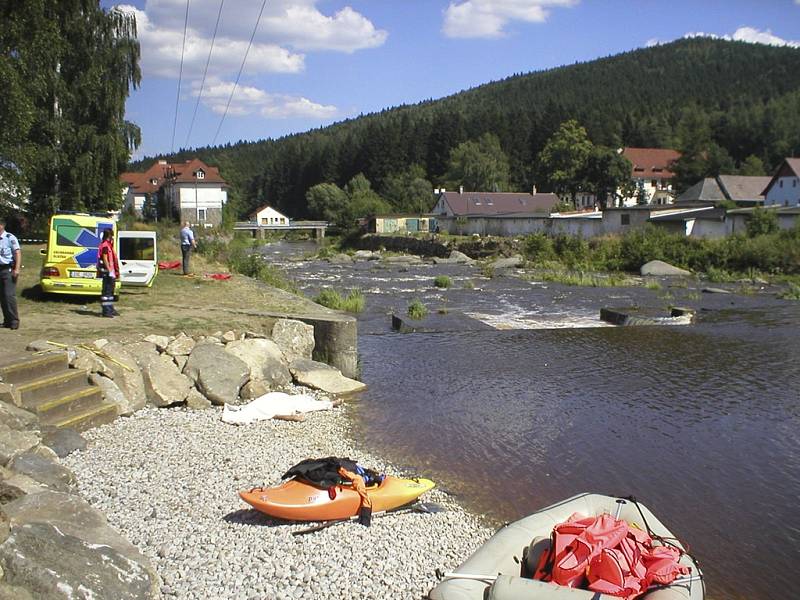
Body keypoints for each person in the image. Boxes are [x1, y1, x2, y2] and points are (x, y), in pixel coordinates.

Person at [0, 218, 21, 329]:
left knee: (9, 295)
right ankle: (7, 320)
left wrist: (16, 269)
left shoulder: (10, 238)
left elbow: (17, 253)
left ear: (2, 225)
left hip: (8, 269)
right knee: (2, 297)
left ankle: (14, 321)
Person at [97, 228, 120, 318]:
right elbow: (105, 258)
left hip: (110, 272)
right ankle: (106, 311)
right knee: (107, 292)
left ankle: (110, 308)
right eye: (112, 235)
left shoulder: (109, 245)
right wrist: (109, 270)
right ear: (109, 235)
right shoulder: (105, 246)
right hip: (107, 272)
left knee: (110, 292)